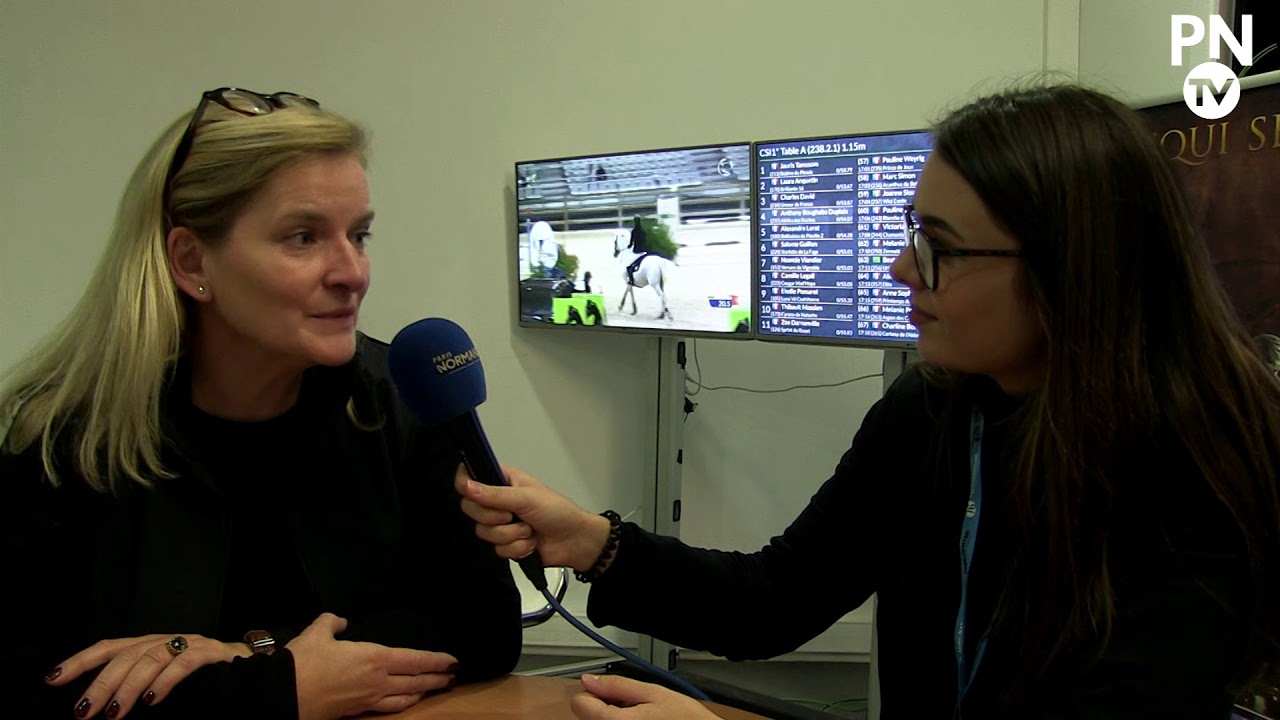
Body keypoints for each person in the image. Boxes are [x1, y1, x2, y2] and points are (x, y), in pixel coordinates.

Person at [456, 80, 1280, 719]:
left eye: (940, 250)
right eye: (912, 235)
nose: (900, 271)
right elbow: (777, 598)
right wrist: (595, 544)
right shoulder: (933, 411)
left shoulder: (1192, 462)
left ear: (1072, 270)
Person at [0, 87, 522, 720]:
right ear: (192, 260)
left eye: (359, 235)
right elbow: (35, 685)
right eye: (303, 237)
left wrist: (250, 655)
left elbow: (486, 627)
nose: (352, 271)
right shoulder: (55, 437)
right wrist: (285, 687)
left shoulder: (398, 403)